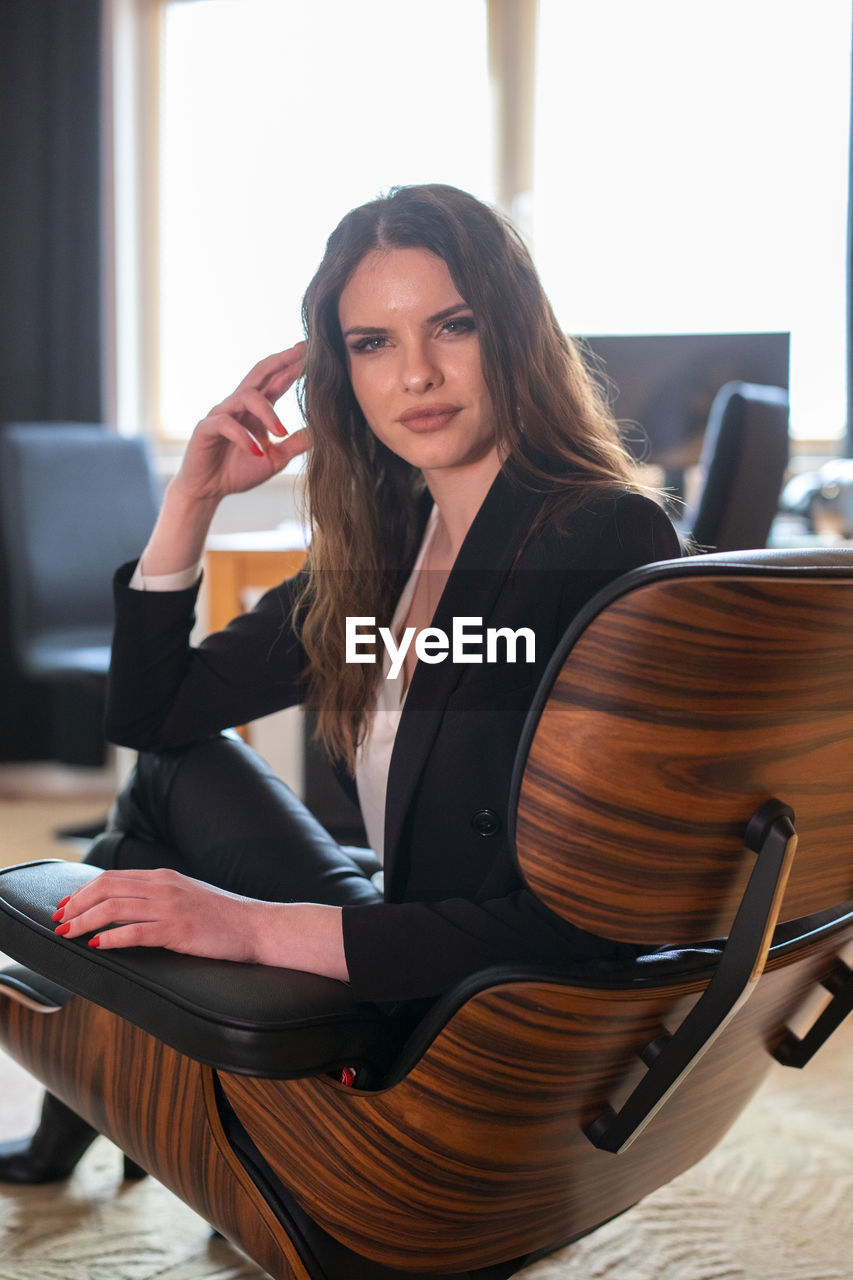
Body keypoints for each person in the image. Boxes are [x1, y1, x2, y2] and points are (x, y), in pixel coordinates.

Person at [0, 183, 681, 1185]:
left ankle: (103, 1105)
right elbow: (153, 715)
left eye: (453, 325)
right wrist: (190, 499)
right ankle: (108, 1105)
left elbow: (577, 924)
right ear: (338, 373)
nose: (415, 372)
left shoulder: (590, 536)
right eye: (371, 342)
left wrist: (242, 924)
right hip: (402, 916)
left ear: (516, 333)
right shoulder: (390, 542)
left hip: (460, 998)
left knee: (124, 865)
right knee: (164, 782)